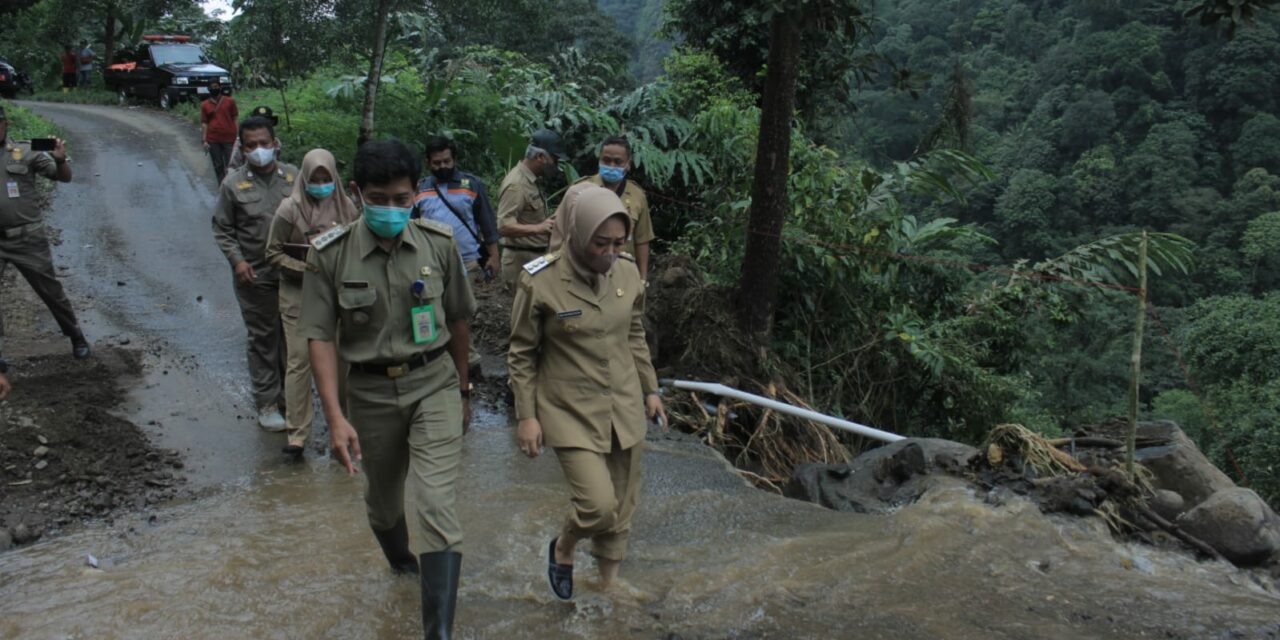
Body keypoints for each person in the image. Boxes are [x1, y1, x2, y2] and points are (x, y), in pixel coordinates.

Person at [298, 139, 475, 640]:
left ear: (415, 193)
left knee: (437, 503)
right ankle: (402, 565)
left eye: (402, 199)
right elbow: (319, 336)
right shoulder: (329, 256)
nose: (393, 209)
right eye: (380, 198)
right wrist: (334, 418)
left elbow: (459, 319)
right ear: (357, 193)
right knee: (382, 504)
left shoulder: (439, 246)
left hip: (433, 382)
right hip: (370, 395)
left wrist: (462, 390)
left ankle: (436, 631)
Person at [507, 182, 666, 600]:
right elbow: (522, 353)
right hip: (568, 409)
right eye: (601, 243)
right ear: (578, 235)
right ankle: (564, 545)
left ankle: (608, 584)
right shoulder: (539, 281)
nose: (610, 253)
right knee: (598, 505)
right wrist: (527, 416)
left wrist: (650, 389)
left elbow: (634, 334)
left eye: (619, 242)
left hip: (624, 403)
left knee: (623, 503)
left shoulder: (627, 271)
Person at [265, 148, 358, 456]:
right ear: (304, 178)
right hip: (298, 294)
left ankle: (344, 424)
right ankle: (297, 433)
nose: (320, 184)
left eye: (326, 178)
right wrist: (306, 268)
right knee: (299, 361)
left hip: (337, 294)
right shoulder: (289, 210)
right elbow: (272, 253)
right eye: (314, 178)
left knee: (344, 360)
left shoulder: (347, 208)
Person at [211, 115, 296, 432]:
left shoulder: (293, 177)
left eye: (264, 143)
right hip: (254, 277)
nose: (259, 149)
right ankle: (268, 402)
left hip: (292, 275)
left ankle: (292, 399)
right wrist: (237, 261)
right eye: (251, 145)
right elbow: (222, 229)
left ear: (275, 144)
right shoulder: (233, 185)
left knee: (292, 340)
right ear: (242, 148)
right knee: (264, 339)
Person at [0, 106, 91, 361]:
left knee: (49, 290)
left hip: (27, 238)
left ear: (5, 125)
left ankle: (76, 335)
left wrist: (60, 159)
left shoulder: (25, 151)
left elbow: (63, 177)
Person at [413, 136, 498, 377]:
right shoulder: (420, 189)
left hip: (467, 261)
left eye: (446, 161)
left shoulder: (470, 185)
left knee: (460, 313)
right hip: (429, 263)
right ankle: (446, 360)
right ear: (428, 162)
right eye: (437, 163)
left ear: (455, 159)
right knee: (434, 311)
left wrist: (494, 255)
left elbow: (487, 221)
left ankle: (468, 362)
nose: (442, 167)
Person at [496, 129, 566, 292]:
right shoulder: (517, 184)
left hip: (534, 257)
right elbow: (503, 226)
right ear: (541, 157)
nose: (555, 165)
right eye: (554, 160)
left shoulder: (530, 180)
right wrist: (539, 228)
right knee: (525, 313)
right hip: (521, 260)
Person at [582, 135, 655, 281]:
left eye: (617, 161)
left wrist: (642, 279)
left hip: (623, 275)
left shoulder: (637, 196)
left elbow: (642, 240)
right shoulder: (582, 189)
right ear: (599, 160)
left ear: (627, 164)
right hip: (587, 272)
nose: (611, 166)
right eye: (606, 160)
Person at [200, 79, 238, 186]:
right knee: (218, 166)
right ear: (208, 89)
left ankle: (233, 186)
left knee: (231, 165)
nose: (214, 89)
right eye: (212, 87)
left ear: (220, 87)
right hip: (213, 139)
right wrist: (204, 140)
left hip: (229, 138)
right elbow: (204, 123)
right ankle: (222, 187)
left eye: (216, 86)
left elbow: (235, 118)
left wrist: (237, 135)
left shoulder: (230, 101)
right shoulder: (205, 105)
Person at [228, 106, 282, 171]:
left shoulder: (276, 142)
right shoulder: (241, 142)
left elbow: (277, 161)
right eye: (251, 145)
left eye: (264, 143)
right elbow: (233, 166)